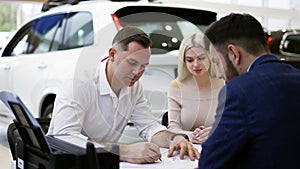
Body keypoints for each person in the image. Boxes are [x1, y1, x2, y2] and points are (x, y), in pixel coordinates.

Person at [47, 26, 199, 164]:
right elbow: (64, 137)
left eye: (143, 66)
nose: (137, 72)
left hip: (104, 163)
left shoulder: (134, 87)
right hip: (70, 164)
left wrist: (174, 138)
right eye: (131, 63)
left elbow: (149, 127)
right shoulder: (79, 83)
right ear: (112, 54)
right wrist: (123, 151)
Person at [198, 13, 300, 169]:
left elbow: (210, 162)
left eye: (217, 62)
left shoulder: (239, 90)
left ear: (234, 53)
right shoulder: (295, 76)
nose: (218, 73)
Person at [167, 33, 224, 144]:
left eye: (201, 58)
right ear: (183, 61)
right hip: (188, 148)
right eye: (190, 60)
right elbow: (172, 128)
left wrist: (215, 132)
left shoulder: (224, 84)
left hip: (219, 145)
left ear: (210, 57)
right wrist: (191, 135)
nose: (196, 64)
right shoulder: (175, 87)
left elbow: (233, 123)